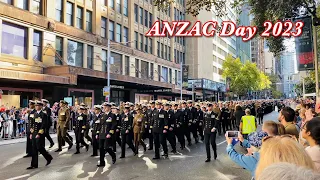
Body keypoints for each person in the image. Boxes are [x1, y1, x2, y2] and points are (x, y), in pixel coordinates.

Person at [27, 101, 53, 169]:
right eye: (36, 106)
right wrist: (31, 133)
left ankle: (48, 157)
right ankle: (34, 164)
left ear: (41, 106)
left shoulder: (43, 114)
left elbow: (44, 125)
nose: (36, 107)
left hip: (40, 133)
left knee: (39, 147)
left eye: (38, 106)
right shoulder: (34, 114)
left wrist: (39, 133)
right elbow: (32, 124)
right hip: (34, 133)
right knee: (34, 149)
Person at [97, 102, 116, 166]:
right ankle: (102, 162)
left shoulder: (112, 115)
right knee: (101, 148)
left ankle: (113, 155)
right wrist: (97, 133)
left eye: (106, 107)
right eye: (104, 107)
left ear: (109, 108)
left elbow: (113, 125)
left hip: (107, 134)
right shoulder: (102, 115)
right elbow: (99, 125)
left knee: (106, 147)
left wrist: (110, 133)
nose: (104, 108)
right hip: (101, 133)